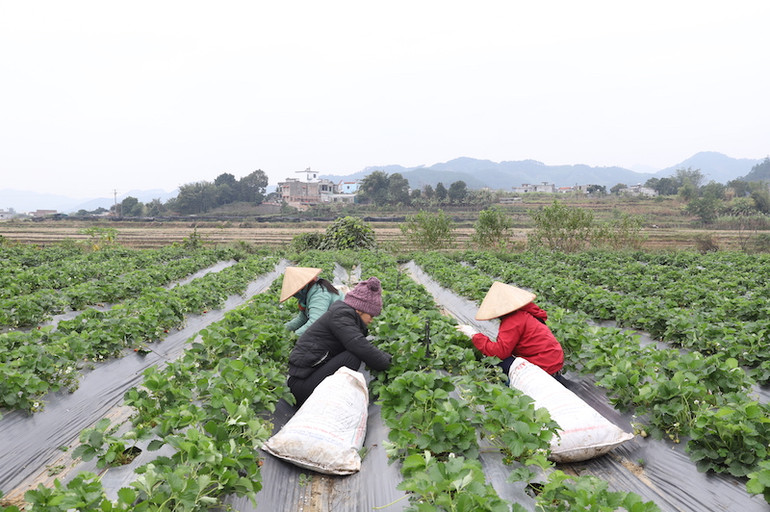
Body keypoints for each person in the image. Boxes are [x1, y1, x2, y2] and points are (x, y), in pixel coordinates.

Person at [286, 276, 392, 405]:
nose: (372, 320)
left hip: (307, 378)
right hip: (301, 387)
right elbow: (359, 345)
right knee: (352, 357)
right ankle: (329, 399)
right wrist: (390, 364)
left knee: (355, 353)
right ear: (359, 310)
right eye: (371, 315)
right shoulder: (342, 316)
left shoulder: (344, 314)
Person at [457, 281, 564, 378]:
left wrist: (474, 335)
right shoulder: (527, 311)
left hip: (544, 366)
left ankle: (511, 384)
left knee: (497, 361)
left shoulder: (513, 321)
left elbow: (499, 352)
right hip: (554, 358)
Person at [280, 266, 344, 336]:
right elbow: (302, 318)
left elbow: (315, 322)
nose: (295, 295)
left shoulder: (320, 294)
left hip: (342, 325)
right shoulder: (309, 292)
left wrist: (294, 336)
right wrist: (282, 329)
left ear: (302, 287)